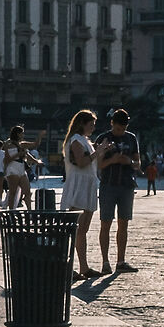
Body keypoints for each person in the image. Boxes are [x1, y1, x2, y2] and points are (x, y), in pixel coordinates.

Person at [95, 108, 141, 270]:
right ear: (111, 123)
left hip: (126, 185)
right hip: (108, 183)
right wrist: (113, 160)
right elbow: (98, 165)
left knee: (123, 223)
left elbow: (138, 164)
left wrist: (128, 161)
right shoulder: (103, 138)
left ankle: (121, 261)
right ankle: (105, 262)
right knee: (105, 223)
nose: (121, 132)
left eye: (123, 129)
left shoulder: (131, 138)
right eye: (118, 128)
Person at [61, 110, 103, 275]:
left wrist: (100, 151)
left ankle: (83, 267)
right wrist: (97, 153)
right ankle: (70, 266)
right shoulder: (76, 140)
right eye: (91, 125)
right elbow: (82, 162)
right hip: (79, 185)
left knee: (82, 229)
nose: (93, 128)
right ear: (82, 124)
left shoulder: (85, 141)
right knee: (75, 228)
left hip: (87, 184)